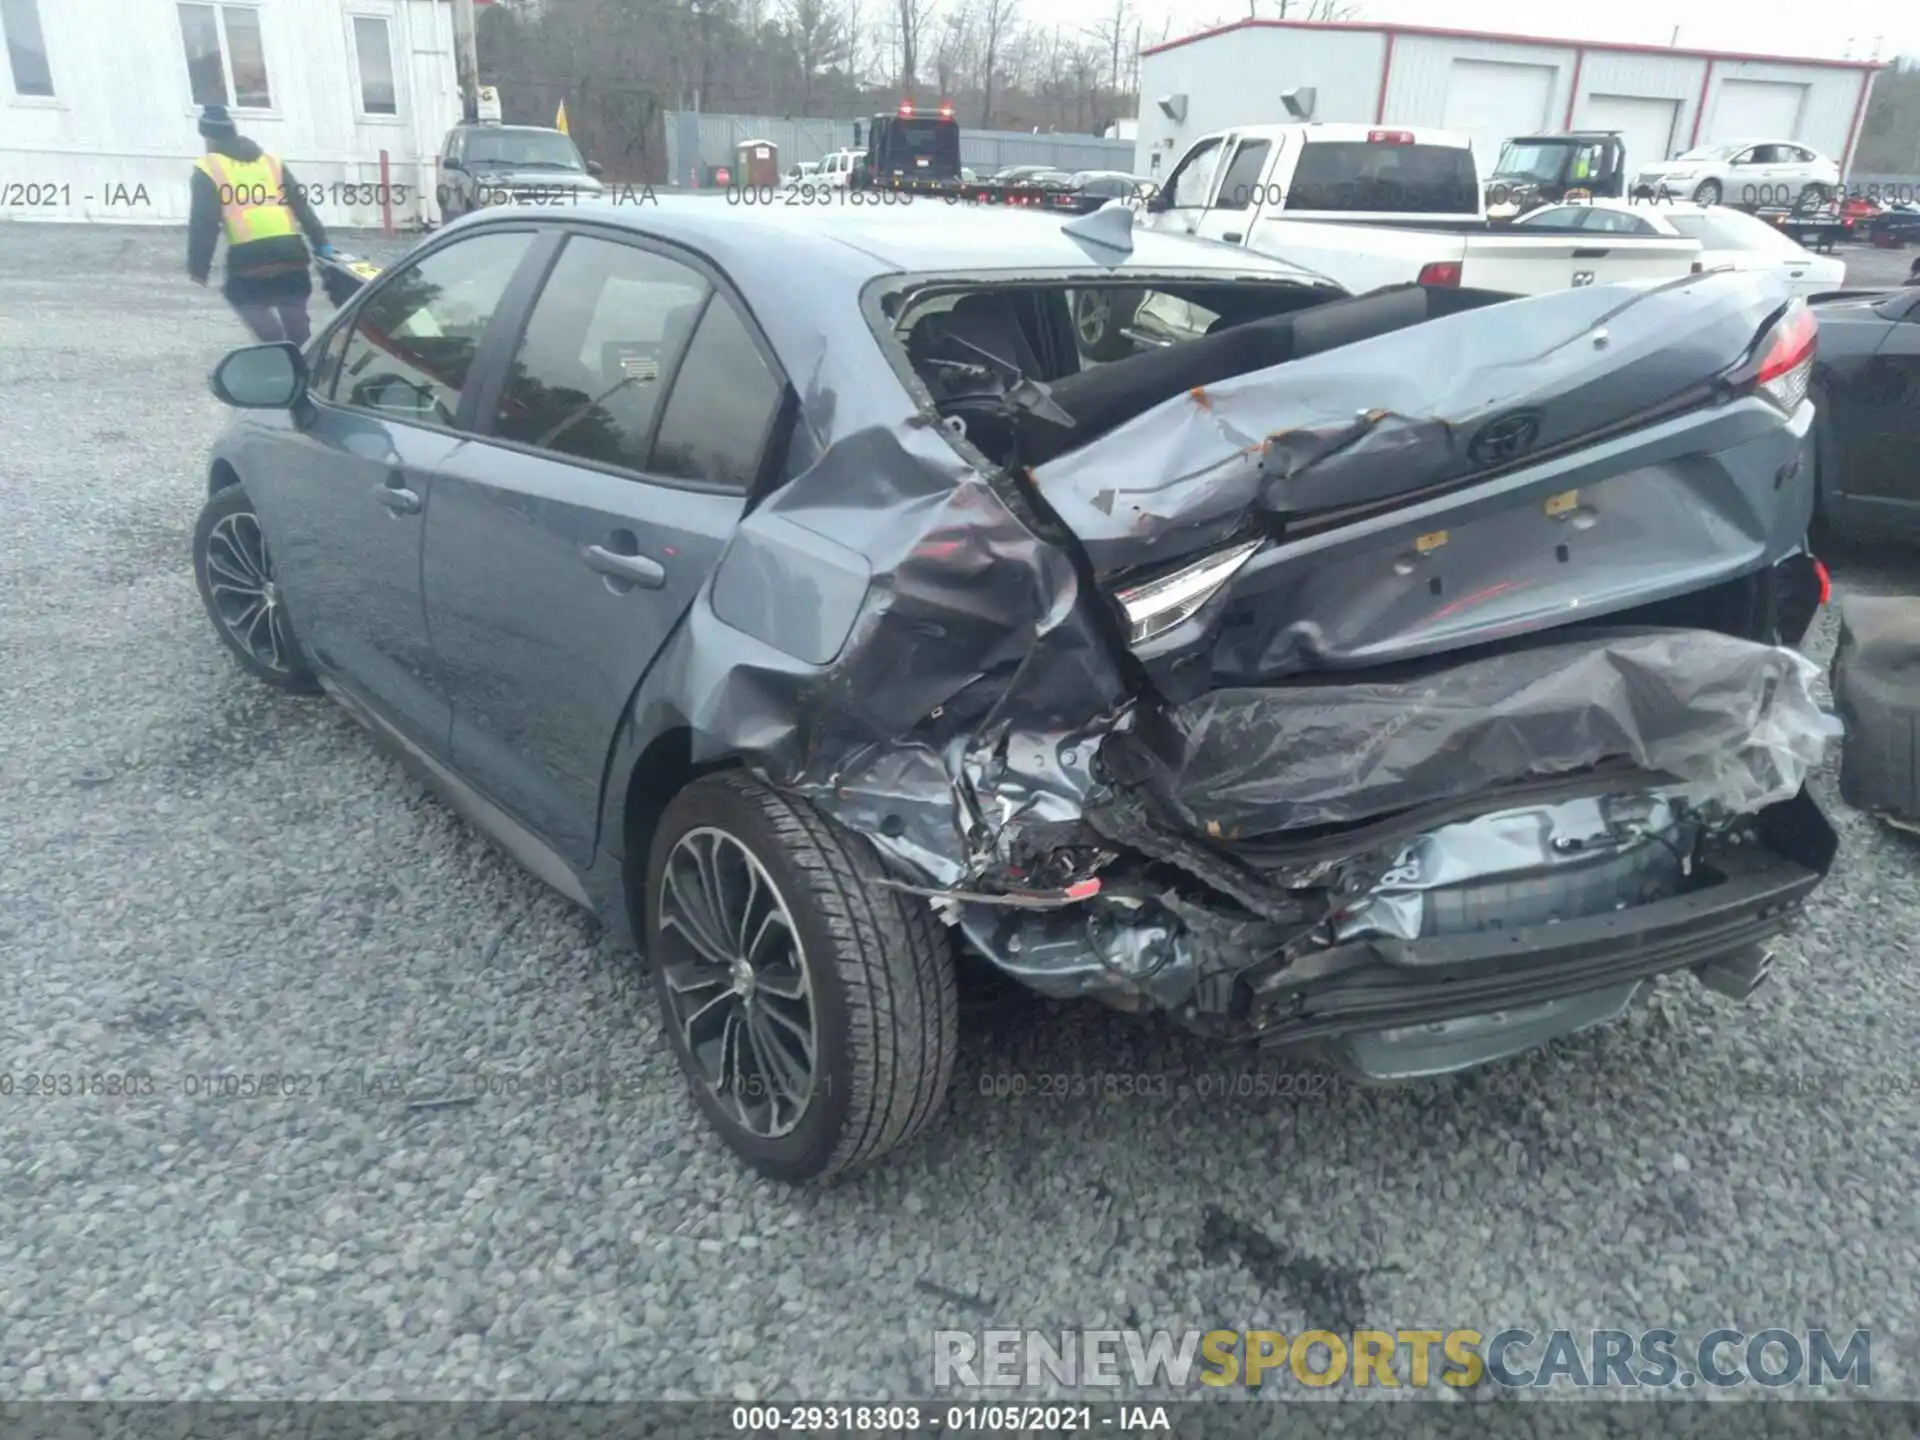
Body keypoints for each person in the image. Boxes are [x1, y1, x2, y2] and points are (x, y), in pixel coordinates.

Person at [187, 104, 335, 345]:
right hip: (292, 252)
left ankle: (275, 344)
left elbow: (204, 222)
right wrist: (321, 244)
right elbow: (301, 206)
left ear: (208, 137)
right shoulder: (271, 162)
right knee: (292, 302)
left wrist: (198, 267)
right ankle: (302, 351)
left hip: (249, 258)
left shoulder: (209, 167)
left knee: (242, 297)